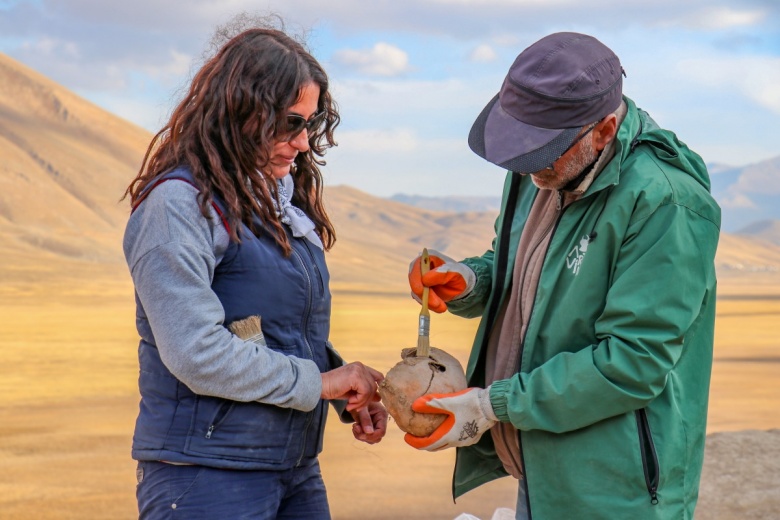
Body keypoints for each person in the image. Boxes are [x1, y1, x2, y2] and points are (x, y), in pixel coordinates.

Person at [406, 32, 720, 519]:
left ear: (603, 131)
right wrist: (471, 280)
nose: (529, 167)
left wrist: (494, 405)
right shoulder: (545, 166)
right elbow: (526, 267)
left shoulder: (665, 202)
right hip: (542, 466)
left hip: (616, 490)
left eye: (541, 150)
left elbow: (632, 362)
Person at [122, 22, 387, 519]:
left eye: (310, 123)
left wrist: (340, 387)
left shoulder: (276, 206)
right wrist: (320, 383)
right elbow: (196, 351)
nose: (303, 142)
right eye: (290, 122)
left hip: (290, 466)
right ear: (242, 111)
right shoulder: (178, 206)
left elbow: (275, 332)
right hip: (205, 475)